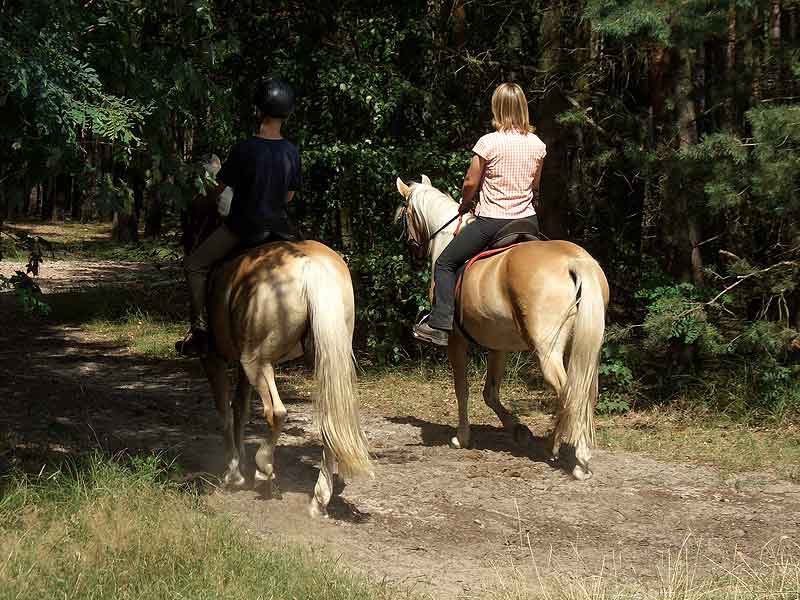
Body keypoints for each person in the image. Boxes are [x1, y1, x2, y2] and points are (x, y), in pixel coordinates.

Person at [413, 82, 546, 346]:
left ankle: (439, 325)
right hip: (527, 222)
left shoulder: (488, 142)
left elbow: (470, 183)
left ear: (497, 108)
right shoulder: (537, 144)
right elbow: (535, 185)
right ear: (523, 108)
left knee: (445, 263)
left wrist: (465, 203)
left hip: (492, 222)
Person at [177, 78, 302, 356]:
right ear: (287, 113)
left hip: (244, 228)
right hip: (281, 231)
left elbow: (219, 189)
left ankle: (200, 332)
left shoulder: (245, 148)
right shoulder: (292, 151)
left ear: (259, 111)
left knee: (194, 265)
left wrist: (204, 201)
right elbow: (288, 198)